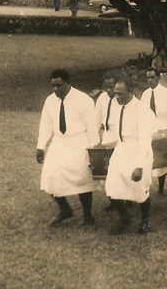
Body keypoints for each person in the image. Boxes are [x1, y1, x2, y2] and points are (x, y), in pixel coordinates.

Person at [36, 69, 98, 227]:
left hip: (80, 142)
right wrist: (41, 146)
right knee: (50, 176)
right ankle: (65, 209)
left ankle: (87, 215)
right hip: (59, 142)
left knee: (82, 180)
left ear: (69, 82)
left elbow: (92, 127)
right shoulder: (50, 101)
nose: (55, 89)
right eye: (53, 86)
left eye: (59, 86)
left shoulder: (83, 100)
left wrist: (93, 150)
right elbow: (46, 124)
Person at [104, 78, 154, 235]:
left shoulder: (143, 111)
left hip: (139, 150)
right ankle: (125, 217)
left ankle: (145, 221)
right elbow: (117, 133)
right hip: (121, 149)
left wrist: (140, 166)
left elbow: (146, 141)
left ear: (132, 92)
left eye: (120, 94)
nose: (116, 97)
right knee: (111, 187)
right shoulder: (117, 106)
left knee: (140, 189)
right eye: (116, 94)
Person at [141, 67, 167, 195]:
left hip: (163, 129)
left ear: (158, 78)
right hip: (150, 130)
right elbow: (142, 114)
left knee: (162, 158)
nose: (150, 80)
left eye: (152, 77)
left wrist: (166, 131)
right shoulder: (145, 94)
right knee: (154, 159)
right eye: (148, 78)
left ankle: (161, 188)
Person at [96, 70, 119, 140]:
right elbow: (97, 118)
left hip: (119, 135)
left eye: (111, 87)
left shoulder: (123, 99)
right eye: (106, 87)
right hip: (106, 135)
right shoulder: (102, 97)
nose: (108, 90)